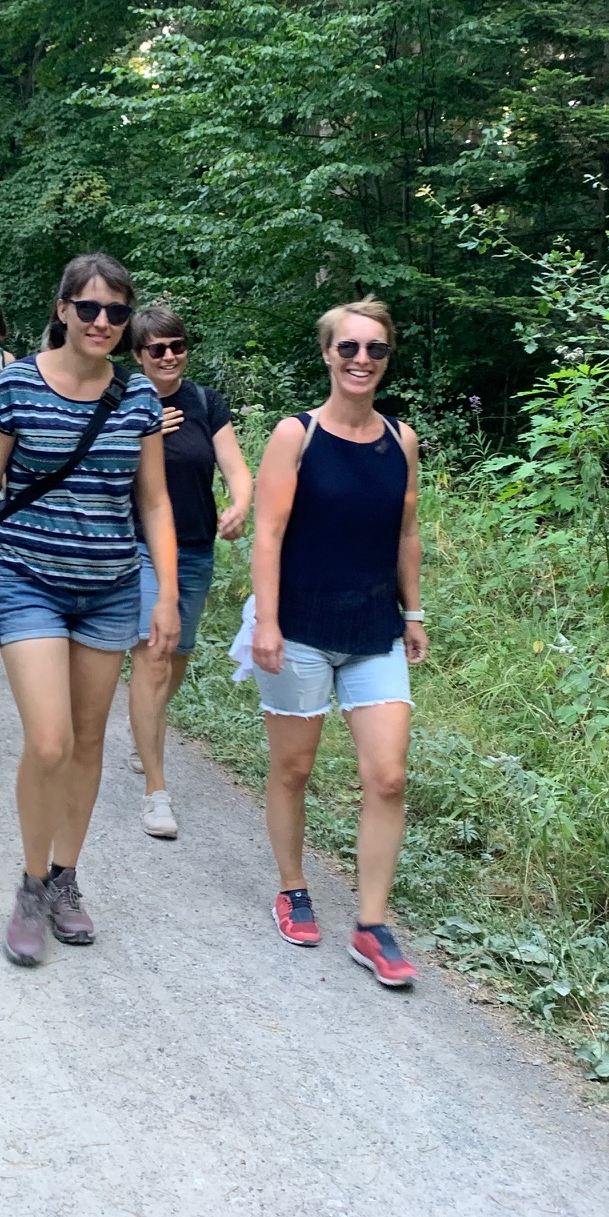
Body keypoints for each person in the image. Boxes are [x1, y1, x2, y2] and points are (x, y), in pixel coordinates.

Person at [0, 253, 180, 967]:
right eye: (89, 308)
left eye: (116, 311)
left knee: (86, 742)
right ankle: (30, 883)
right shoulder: (17, 385)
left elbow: (154, 503)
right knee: (48, 742)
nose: (102, 322)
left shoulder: (138, 399)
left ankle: (65, 879)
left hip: (109, 588)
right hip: (29, 582)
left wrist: (167, 594)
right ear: (63, 310)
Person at [244, 297, 427, 988]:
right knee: (294, 768)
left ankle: (371, 926)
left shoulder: (400, 440)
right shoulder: (296, 435)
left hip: (375, 629)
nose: (361, 359)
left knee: (389, 776)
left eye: (375, 349)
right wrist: (266, 621)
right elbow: (268, 533)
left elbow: (406, 531)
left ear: (387, 358)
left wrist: (415, 613)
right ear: (327, 354)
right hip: (299, 627)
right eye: (348, 347)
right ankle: (292, 887)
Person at [123, 306, 253, 840]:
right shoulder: (122, 400)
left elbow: (234, 466)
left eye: (177, 345)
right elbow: (102, 464)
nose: (169, 356)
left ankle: (144, 726)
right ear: (138, 355)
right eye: (157, 348)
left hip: (196, 547)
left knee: (177, 657)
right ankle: (156, 792)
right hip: (138, 546)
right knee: (154, 656)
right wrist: (144, 430)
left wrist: (240, 504)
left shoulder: (203, 401)